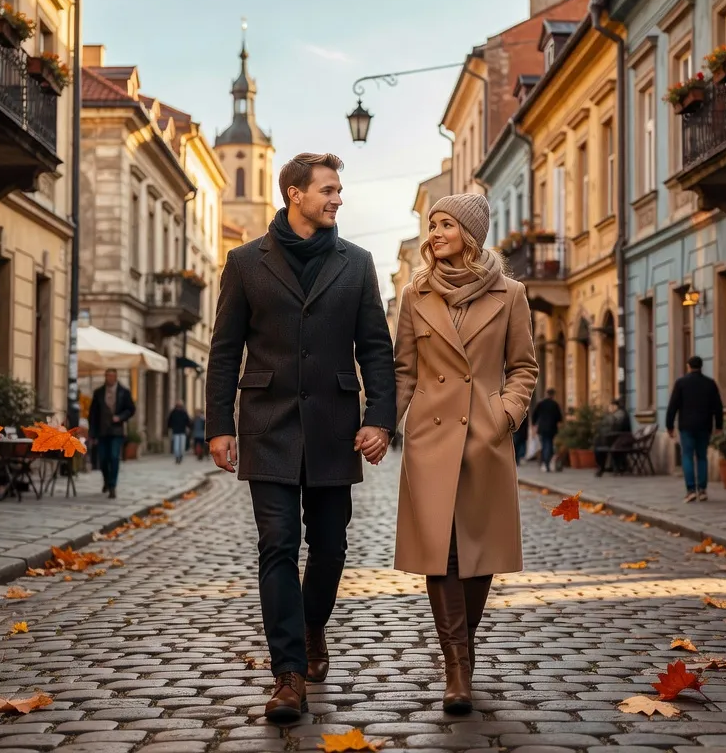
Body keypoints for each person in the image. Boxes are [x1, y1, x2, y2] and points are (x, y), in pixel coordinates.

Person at [206, 152, 395, 723]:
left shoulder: (357, 263)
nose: (338, 198)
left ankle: (313, 625)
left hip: (336, 426)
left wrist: (379, 417)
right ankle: (287, 674)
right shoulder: (245, 262)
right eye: (328, 190)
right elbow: (224, 350)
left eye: (339, 190)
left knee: (331, 547)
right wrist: (220, 426)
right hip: (268, 424)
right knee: (278, 545)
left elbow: (376, 348)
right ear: (296, 194)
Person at [394, 193, 539, 714]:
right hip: (431, 438)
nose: (434, 233)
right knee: (442, 550)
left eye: (446, 224)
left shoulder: (510, 294)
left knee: (480, 553)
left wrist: (506, 413)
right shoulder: (415, 293)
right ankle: (457, 664)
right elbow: (403, 370)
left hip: (484, 434)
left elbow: (523, 366)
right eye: (432, 224)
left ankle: (464, 647)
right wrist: (381, 425)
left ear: (470, 235)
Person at [666, 355, 724, 502]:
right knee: (702, 456)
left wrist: (669, 426)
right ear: (701, 367)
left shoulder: (681, 383)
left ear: (688, 366)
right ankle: (702, 490)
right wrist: (719, 425)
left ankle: (691, 490)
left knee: (687, 456)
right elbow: (718, 406)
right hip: (704, 426)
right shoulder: (710, 383)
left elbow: (672, 406)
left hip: (686, 426)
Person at [88, 369, 135, 500]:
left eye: (111, 376)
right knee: (103, 459)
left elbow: (131, 409)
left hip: (117, 431)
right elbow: (92, 414)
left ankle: (112, 486)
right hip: (102, 431)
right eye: (107, 376)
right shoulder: (98, 393)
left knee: (114, 457)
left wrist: (120, 417)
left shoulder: (124, 392)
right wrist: (92, 433)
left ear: (115, 377)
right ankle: (106, 480)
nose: (109, 378)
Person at [593, 399, 632, 477]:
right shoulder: (617, 414)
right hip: (616, 439)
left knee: (600, 447)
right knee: (599, 445)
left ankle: (601, 468)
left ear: (615, 406)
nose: (609, 408)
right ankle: (602, 467)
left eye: (610, 406)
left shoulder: (619, 414)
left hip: (620, 440)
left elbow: (613, 427)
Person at [531, 388, 563, 472]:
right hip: (552, 428)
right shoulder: (555, 404)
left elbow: (534, 415)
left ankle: (545, 462)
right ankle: (546, 462)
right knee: (549, 444)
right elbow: (559, 417)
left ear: (546, 394)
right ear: (553, 395)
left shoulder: (541, 403)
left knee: (545, 444)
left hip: (542, 428)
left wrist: (534, 425)